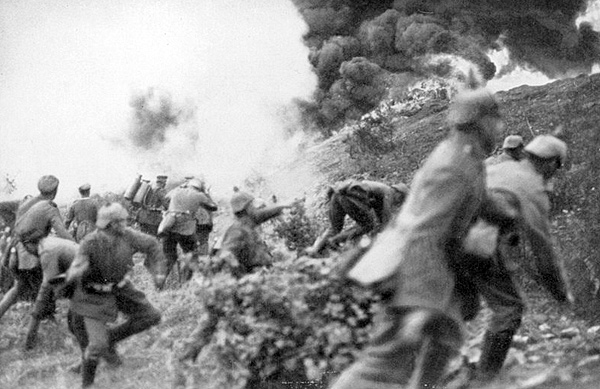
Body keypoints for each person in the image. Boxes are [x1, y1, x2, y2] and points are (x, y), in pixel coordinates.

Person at [330, 87, 507, 389]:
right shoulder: (456, 165)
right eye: (495, 120)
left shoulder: (462, 155)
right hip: (415, 269)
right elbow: (428, 228)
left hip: (425, 265)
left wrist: (499, 210)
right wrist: (422, 300)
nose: (500, 127)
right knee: (382, 365)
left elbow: (463, 203)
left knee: (445, 339)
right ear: (481, 123)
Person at [463, 134, 573, 382]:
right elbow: (544, 254)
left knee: (463, 308)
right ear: (551, 163)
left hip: (444, 234)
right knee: (509, 309)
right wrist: (560, 293)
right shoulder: (534, 189)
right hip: (474, 241)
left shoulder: (498, 167)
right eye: (556, 167)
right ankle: (485, 380)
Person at [177, 190, 299, 362]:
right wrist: (242, 280)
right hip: (236, 284)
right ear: (247, 209)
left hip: (243, 283)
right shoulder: (237, 231)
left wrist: (285, 204)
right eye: (253, 206)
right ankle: (187, 357)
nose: (257, 210)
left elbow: (262, 215)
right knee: (214, 324)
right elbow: (226, 256)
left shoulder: (247, 222)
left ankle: (257, 355)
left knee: (216, 324)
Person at [64, 202, 167, 388]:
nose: (126, 224)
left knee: (151, 316)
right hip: (92, 295)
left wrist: (159, 272)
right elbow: (77, 265)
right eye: (122, 221)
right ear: (112, 224)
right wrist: (74, 274)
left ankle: (109, 339)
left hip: (120, 288)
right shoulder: (90, 242)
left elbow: (152, 244)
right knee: (95, 346)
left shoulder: (127, 235)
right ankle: (87, 384)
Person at [0, 175, 74, 321]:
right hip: (30, 257)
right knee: (47, 284)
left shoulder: (25, 203)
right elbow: (63, 234)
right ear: (55, 191)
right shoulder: (49, 208)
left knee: (18, 288)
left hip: (14, 253)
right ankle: (47, 320)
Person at [304, 180, 408, 257]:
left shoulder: (379, 191)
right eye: (401, 199)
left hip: (337, 194)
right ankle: (335, 241)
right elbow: (386, 221)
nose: (398, 202)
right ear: (398, 192)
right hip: (347, 197)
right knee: (367, 225)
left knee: (334, 228)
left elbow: (380, 220)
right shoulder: (388, 192)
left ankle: (315, 250)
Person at [23, 236, 79, 350]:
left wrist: (36, 313)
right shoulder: (49, 242)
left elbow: (48, 283)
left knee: (76, 322)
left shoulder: (46, 250)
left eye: (26, 248)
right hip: (84, 274)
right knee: (74, 322)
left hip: (88, 276)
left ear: (28, 244)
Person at [158, 178, 218, 282]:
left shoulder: (176, 191)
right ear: (199, 188)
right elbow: (213, 207)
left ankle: (159, 284)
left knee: (168, 257)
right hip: (186, 229)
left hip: (169, 225)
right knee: (190, 256)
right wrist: (206, 194)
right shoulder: (199, 195)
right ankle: (184, 283)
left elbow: (166, 199)